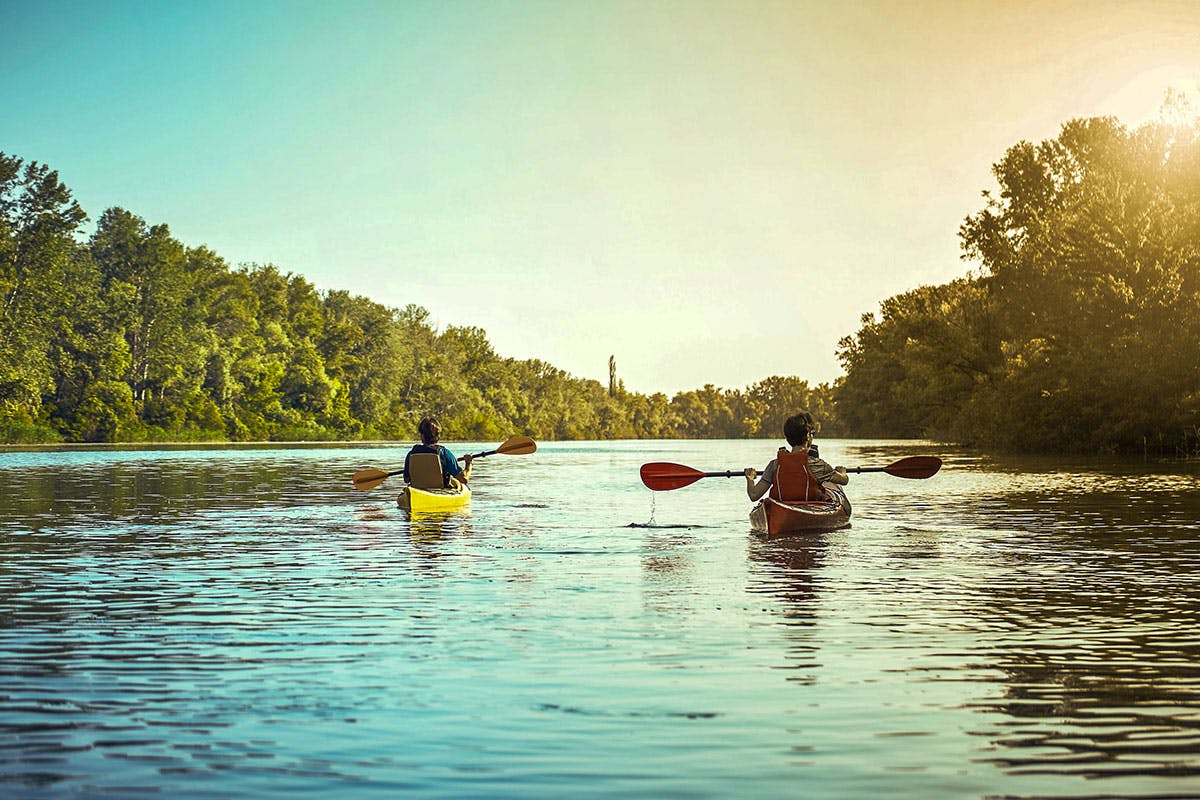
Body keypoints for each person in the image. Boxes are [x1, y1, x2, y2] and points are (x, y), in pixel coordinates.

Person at [745, 412, 847, 502]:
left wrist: (750, 478)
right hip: (809, 510)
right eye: (812, 433)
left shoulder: (774, 465)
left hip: (782, 512)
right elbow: (844, 480)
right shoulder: (818, 465)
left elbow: (754, 495)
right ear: (808, 436)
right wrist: (842, 472)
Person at [404, 416, 473, 488]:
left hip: (418, 490)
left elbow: (406, 479)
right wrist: (468, 463)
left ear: (422, 435)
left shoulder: (411, 453)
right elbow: (464, 479)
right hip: (440, 491)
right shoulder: (444, 453)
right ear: (438, 435)